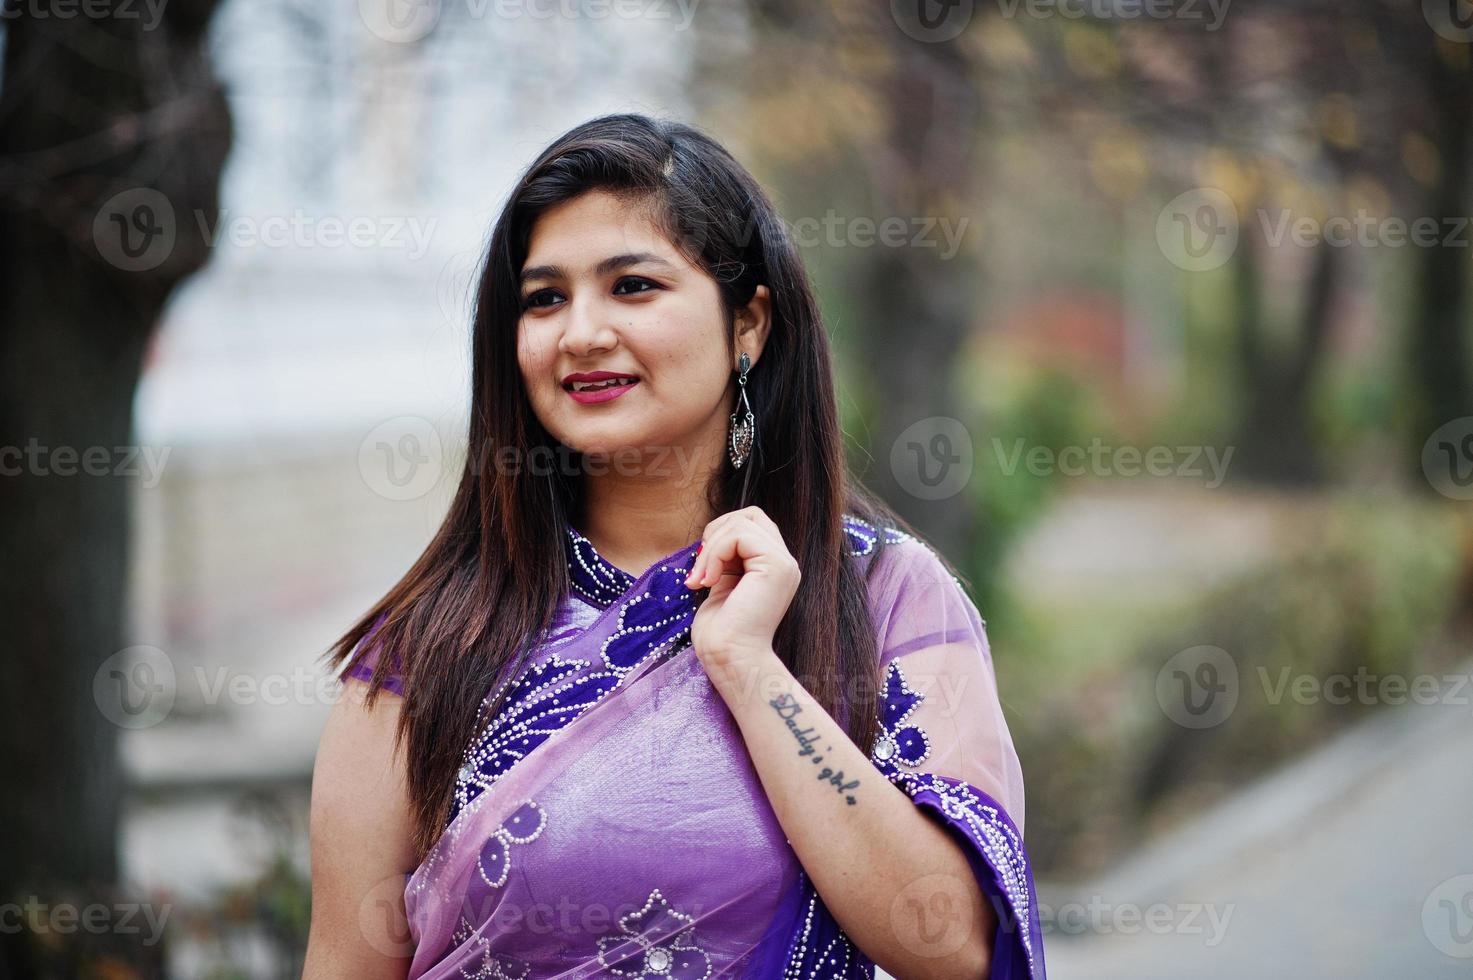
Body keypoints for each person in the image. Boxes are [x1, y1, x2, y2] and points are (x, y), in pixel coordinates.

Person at [304, 113, 1045, 980]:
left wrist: (749, 666)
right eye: (545, 298)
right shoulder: (424, 653)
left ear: (749, 324)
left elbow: (954, 948)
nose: (580, 331)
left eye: (632, 286)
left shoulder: (885, 598)